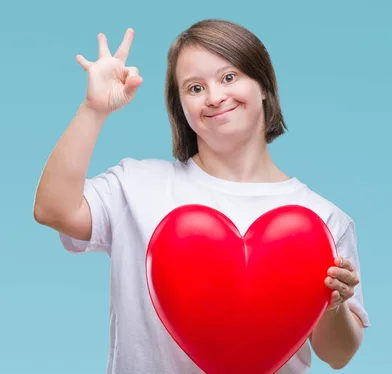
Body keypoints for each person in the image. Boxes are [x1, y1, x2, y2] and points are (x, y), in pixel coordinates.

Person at [33, 19, 369, 373]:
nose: (214, 97)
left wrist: (334, 304)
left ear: (264, 86)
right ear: (181, 107)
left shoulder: (321, 219)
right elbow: (52, 209)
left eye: (229, 77)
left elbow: (338, 355)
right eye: (194, 88)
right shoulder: (136, 185)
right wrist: (94, 109)